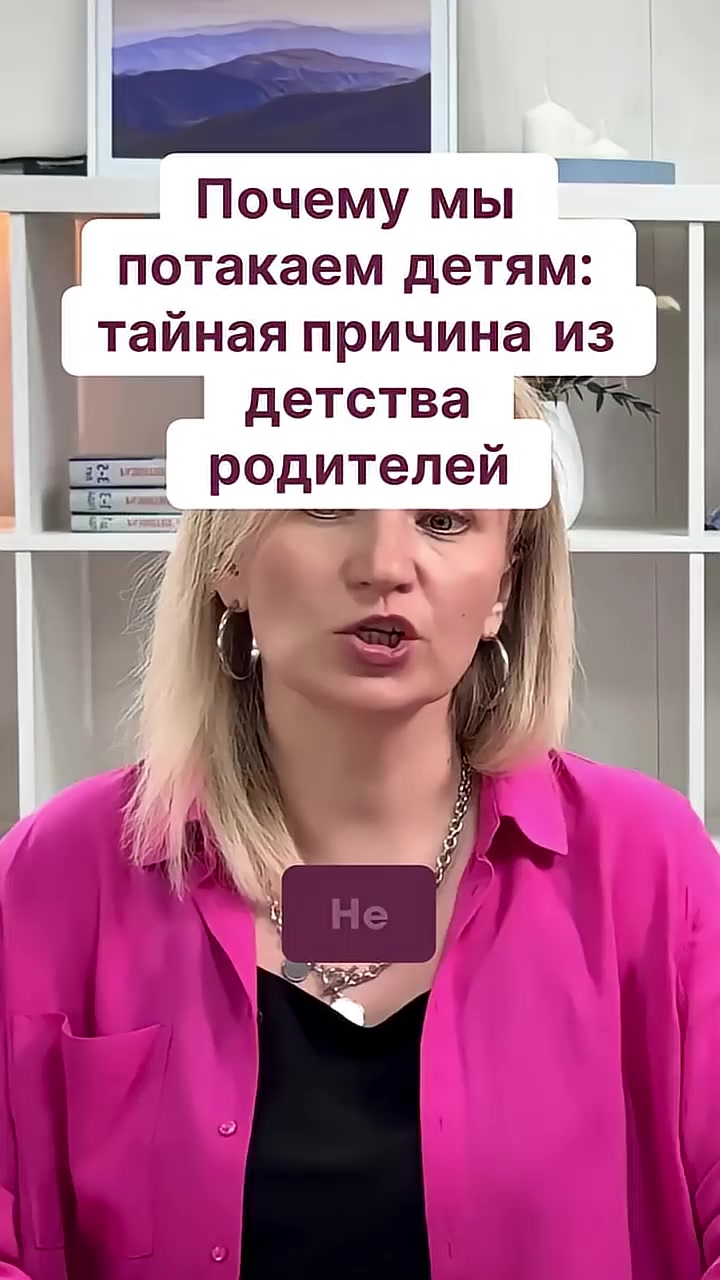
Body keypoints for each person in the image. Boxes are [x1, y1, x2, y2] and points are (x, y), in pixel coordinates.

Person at [1, 377, 719, 1280]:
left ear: (504, 586)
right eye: (327, 499)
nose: (385, 563)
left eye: (445, 517)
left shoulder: (651, 865)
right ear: (228, 557)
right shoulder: (56, 875)